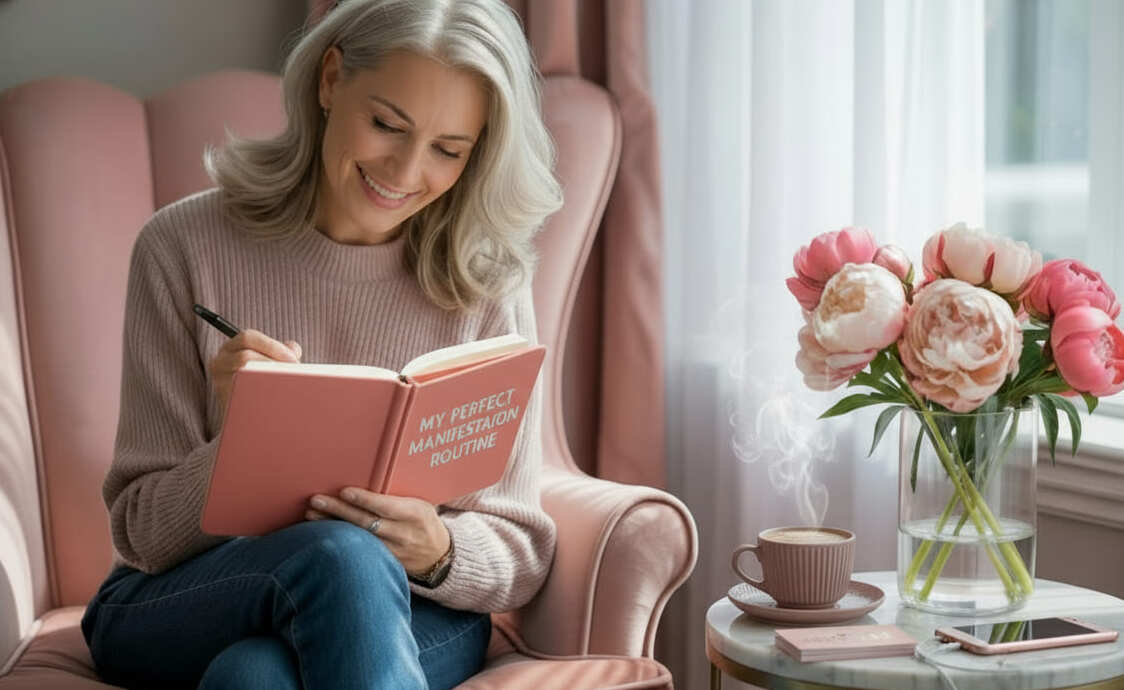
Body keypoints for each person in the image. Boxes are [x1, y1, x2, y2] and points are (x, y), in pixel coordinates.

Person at [80, 0, 563, 688]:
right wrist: (244, 442)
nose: (405, 170)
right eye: (386, 125)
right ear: (331, 81)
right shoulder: (183, 246)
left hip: (412, 607)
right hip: (178, 600)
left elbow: (521, 550)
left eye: (449, 150)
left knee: (255, 678)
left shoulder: (486, 283)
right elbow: (143, 534)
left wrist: (438, 550)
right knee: (340, 555)